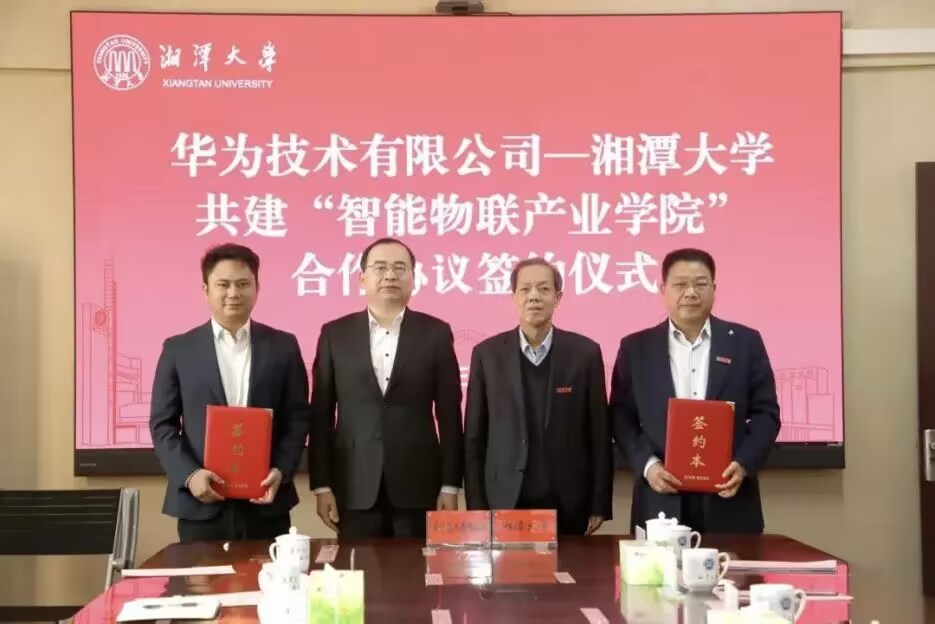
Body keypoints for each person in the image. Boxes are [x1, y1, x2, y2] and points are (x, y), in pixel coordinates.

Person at [610, 248, 780, 534]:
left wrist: (743, 463)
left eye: (701, 284)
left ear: (714, 289)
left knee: (734, 566)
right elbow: (621, 417)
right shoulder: (636, 348)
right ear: (663, 289)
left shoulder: (745, 342)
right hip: (660, 498)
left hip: (729, 498)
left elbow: (767, 414)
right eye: (680, 284)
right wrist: (649, 466)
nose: (690, 293)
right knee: (659, 566)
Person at [149, 243, 311, 543]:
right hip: (201, 503)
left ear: (257, 288)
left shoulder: (283, 346)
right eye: (223, 285)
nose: (233, 293)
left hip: (266, 502)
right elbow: (163, 425)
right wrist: (190, 475)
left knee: (269, 573)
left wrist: (281, 469)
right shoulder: (178, 350)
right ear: (205, 290)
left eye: (243, 284)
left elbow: (298, 417)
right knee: (201, 574)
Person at [308, 237, 463, 538]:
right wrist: (322, 485)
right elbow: (321, 415)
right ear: (362, 278)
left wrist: (450, 485)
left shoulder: (435, 333)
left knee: (416, 567)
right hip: (353, 484)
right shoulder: (334, 334)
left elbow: (449, 414)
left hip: (419, 485)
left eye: (399, 268)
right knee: (357, 567)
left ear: (413, 278)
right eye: (380, 268)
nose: (390, 275)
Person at [464, 258, 613, 535]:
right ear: (513, 298)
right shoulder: (487, 355)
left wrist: (599, 503)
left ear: (558, 298)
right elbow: (474, 437)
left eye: (544, 289)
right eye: (525, 289)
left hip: (569, 501)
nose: (534, 296)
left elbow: (599, 434)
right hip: (504, 500)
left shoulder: (585, 354)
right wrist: (476, 506)